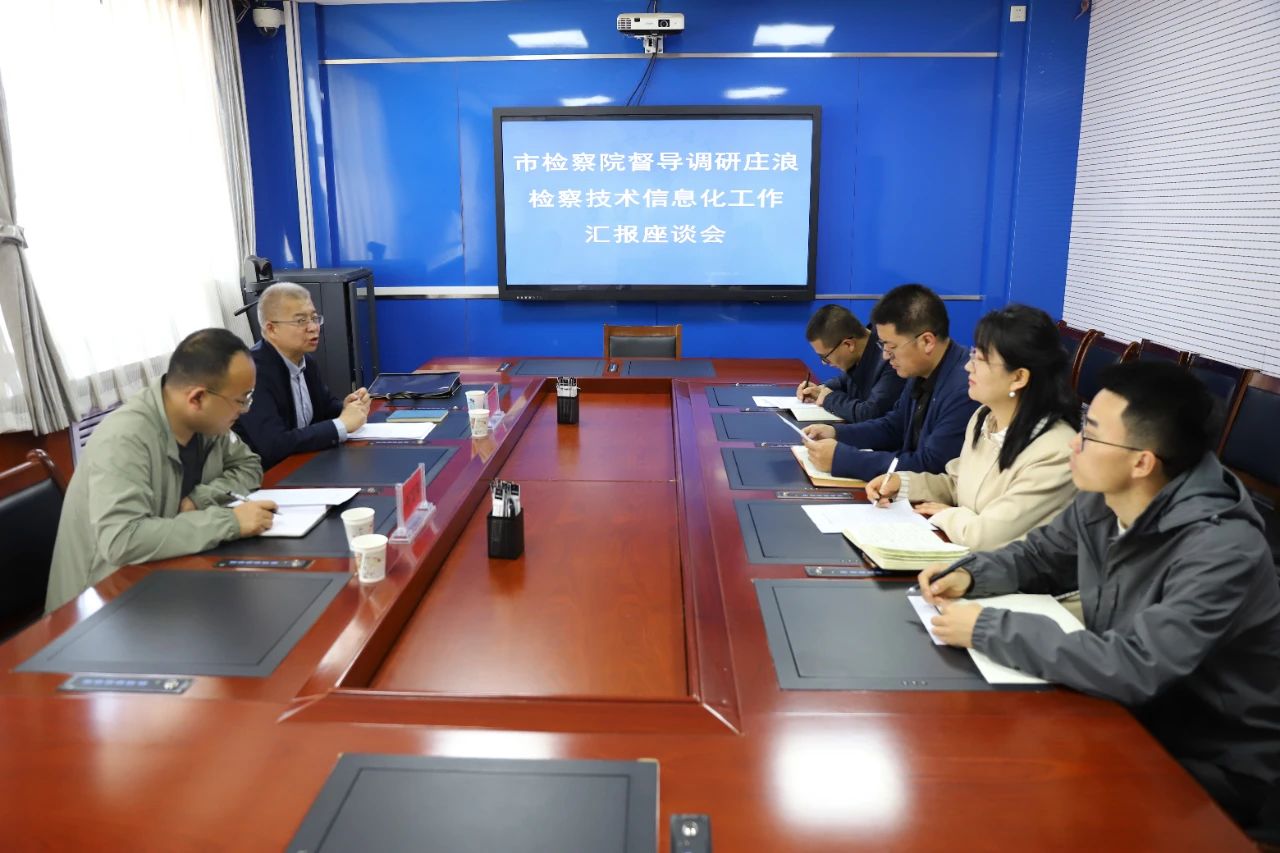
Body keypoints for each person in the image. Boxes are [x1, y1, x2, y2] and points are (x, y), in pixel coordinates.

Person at [922, 361, 1280, 833]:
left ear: (1142, 461)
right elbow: (1041, 555)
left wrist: (988, 627)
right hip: (1123, 713)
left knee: (1005, 798)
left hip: (1209, 761)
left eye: (1090, 435)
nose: (1074, 444)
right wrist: (970, 575)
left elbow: (1136, 664)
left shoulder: (1221, 549)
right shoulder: (1105, 496)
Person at [46, 329, 277, 612]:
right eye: (241, 400)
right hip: (99, 604)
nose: (245, 410)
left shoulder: (206, 424)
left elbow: (248, 465)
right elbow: (122, 539)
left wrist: (201, 499)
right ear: (197, 398)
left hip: (165, 573)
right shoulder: (125, 438)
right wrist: (229, 522)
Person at [864, 304, 1079, 551]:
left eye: (981, 360)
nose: (968, 367)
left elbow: (987, 536)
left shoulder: (1055, 452)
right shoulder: (984, 418)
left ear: (1019, 377)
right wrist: (902, 484)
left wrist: (947, 515)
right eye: (973, 355)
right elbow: (957, 485)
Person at [802, 283, 978, 480]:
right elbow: (894, 426)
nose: (885, 356)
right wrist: (837, 433)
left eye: (891, 346)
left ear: (927, 341)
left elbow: (931, 466)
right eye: (882, 345)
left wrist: (844, 460)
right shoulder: (920, 370)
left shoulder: (965, 389)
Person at [233, 283, 370, 470]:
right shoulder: (252, 372)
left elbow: (325, 409)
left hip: (303, 465)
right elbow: (274, 445)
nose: (313, 327)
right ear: (271, 329)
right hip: (265, 476)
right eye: (301, 321)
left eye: (314, 318)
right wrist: (341, 424)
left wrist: (349, 407)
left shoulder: (306, 362)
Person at [795, 304, 903, 422]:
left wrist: (829, 399)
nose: (824, 363)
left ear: (848, 344)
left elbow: (870, 413)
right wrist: (820, 389)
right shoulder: (863, 349)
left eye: (825, 357)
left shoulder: (891, 360)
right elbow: (845, 381)